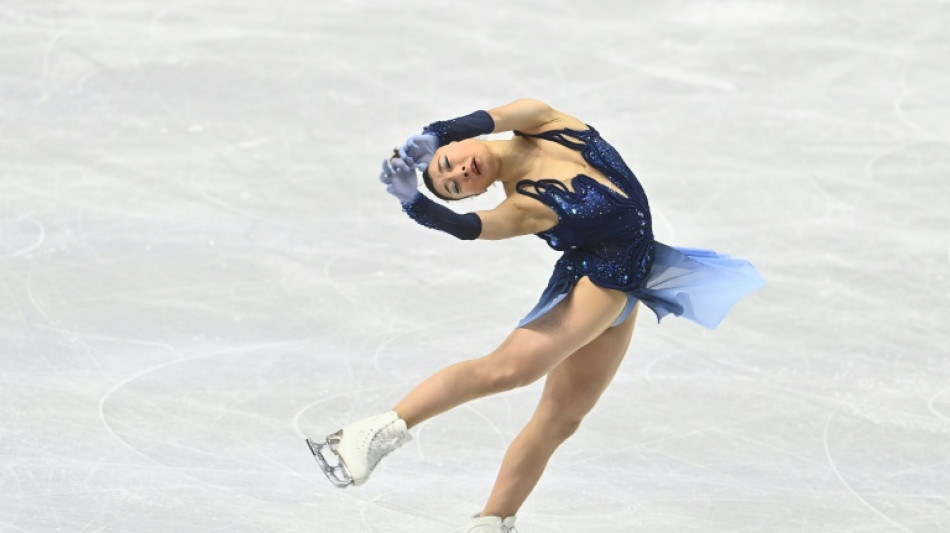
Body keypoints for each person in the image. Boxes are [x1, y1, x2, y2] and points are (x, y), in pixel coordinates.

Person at [306, 99, 765, 533]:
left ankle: (493, 521)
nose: (461, 172)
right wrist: (415, 204)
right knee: (508, 370)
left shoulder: (546, 122)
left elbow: (495, 116)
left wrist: (436, 133)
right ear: (478, 192)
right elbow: (470, 227)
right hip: (601, 284)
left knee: (563, 417)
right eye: (455, 187)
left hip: (632, 282)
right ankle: (369, 435)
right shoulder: (523, 206)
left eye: (449, 163)